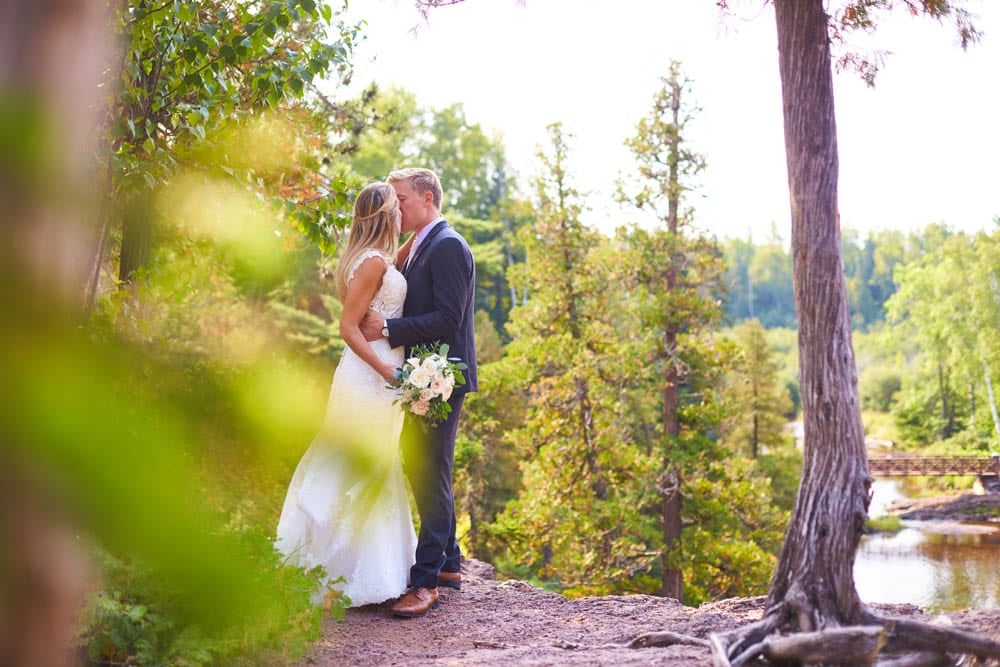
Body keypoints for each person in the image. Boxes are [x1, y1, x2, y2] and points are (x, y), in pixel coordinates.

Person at [275, 182, 417, 607]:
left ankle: (372, 567)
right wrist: (386, 369)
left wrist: (425, 229)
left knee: (377, 463)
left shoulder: (377, 259)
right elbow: (348, 327)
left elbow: (397, 263)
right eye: (396, 209)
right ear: (383, 216)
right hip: (369, 376)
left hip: (378, 377)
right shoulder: (372, 263)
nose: (399, 215)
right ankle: (335, 569)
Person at [361, 167, 478, 618]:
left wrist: (388, 328)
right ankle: (448, 561)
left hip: (443, 378)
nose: (396, 207)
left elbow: (450, 317)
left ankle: (426, 582)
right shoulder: (420, 244)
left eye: (403, 199)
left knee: (432, 472)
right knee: (422, 465)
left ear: (428, 198)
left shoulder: (448, 246)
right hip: (422, 375)